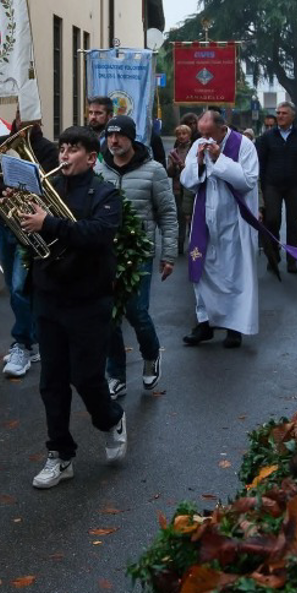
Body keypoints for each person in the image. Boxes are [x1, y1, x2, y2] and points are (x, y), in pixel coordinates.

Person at [18, 126, 126, 489]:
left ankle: (110, 418)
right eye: (62, 148)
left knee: (87, 378)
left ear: (92, 158)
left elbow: (98, 233)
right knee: (51, 381)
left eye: (73, 149)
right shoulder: (48, 190)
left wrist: (49, 222)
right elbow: (28, 231)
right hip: (49, 295)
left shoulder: (106, 193)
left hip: (88, 299)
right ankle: (60, 454)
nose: (63, 155)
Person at [96, 116, 176, 399]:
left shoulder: (153, 171)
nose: (114, 141)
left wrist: (168, 254)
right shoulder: (99, 168)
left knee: (136, 312)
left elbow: (167, 214)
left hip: (138, 253)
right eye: (110, 136)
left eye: (120, 136)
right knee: (108, 316)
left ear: (132, 138)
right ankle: (115, 374)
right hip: (104, 252)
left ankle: (151, 354)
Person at [181, 109, 260, 348]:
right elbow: (188, 180)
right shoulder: (199, 144)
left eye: (210, 134)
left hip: (234, 221)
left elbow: (248, 181)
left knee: (234, 273)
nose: (206, 139)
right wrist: (200, 163)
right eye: (202, 134)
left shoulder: (243, 145)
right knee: (202, 270)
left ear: (222, 128)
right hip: (205, 219)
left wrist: (219, 159)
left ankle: (234, 328)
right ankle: (204, 323)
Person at [0, 117, 56, 379]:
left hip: (28, 228)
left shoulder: (48, 149)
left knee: (20, 287)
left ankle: (23, 344)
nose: (22, 119)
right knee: (12, 285)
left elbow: (45, 189)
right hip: (5, 225)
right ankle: (32, 339)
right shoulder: (1, 144)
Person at [255, 102, 297, 275]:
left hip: (295, 185)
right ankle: (273, 255)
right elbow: (260, 163)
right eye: (278, 113)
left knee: (294, 223)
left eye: (284, 113)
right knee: (272, 220)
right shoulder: (268, 136)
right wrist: (259, 185)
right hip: (272, 184)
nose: (280, 116)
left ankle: (292, 260)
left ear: (292, 116)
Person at [87, 95, 164, 165]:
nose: (93, 117)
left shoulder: (137, 135)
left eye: (98, 113)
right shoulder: (83, 136)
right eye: (90, 113)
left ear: (110, 115)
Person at [166, 123, 195, 255]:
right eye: (179, 134)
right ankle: (180, 243)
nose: (182, 136)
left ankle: (193, 241)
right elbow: (169, 173)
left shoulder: (193, 149)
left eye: (184, 134)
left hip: (191, 187)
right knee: (180, 216)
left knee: (191, 215)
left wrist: (184, 166)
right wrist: (173, 165)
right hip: (178, 187)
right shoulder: (174, 151)